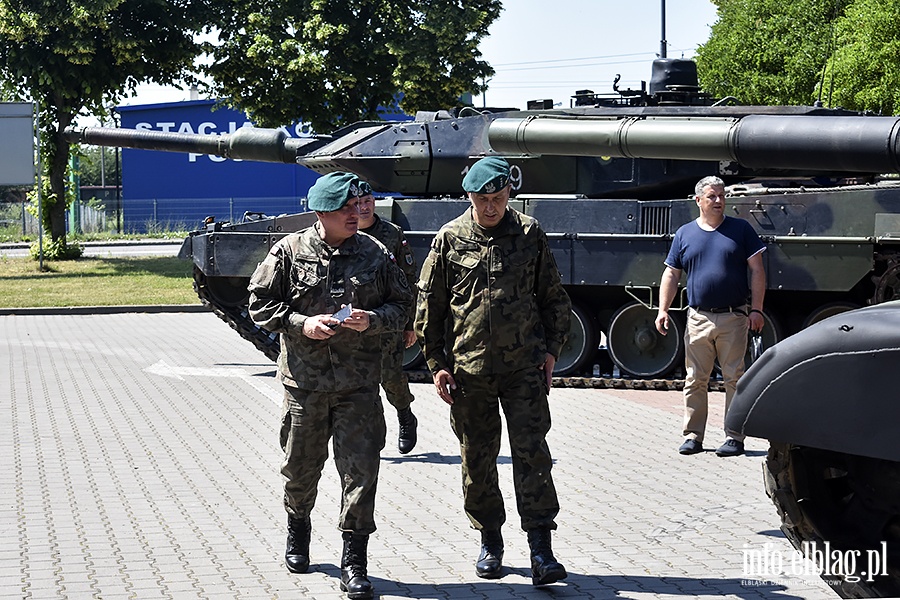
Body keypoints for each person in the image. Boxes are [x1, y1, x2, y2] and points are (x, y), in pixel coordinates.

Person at [247, 171, 412, 600]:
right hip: (305, 384)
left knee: (361, 472)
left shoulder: (375, 253)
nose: (356, 213)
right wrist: (303, 323)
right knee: (300, 470)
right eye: (345, 208)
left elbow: (403, 305)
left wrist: (373, 320)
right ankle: (298, 526)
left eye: (358, 206)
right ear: (322, 212)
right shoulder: (288, 251)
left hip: (359, 385)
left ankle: (354, 561)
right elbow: (259, 303)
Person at [415, 156, 572, 586]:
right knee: (478, 459)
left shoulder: (528, 234)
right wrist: (436, 364)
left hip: (523, 368)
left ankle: (541, 547)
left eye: (498, 199)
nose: (491, 208)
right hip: (469, 373)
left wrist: (551, 351)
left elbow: (553, 298)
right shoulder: (449, 239)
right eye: (483, 200)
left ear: (509, 195)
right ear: (469, 196)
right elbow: (430, 307)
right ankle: (490, 539)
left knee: (532, 453)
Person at [654, 175, 766, 458]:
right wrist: (663, 309)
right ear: (698, 201)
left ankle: (734, 436)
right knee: (695, 379)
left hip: (733, 317)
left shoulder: (741, 230)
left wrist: (757, 309)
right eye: (712, 196)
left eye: (722, 196)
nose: (719, 201)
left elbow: (758, 270)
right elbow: (672, 273)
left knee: (735, 379)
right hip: (698, 318)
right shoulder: (684, 234)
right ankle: (693, 435)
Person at [356, 180, 420, 454]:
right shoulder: (343, 232)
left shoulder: (391, 233)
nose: (364, 206)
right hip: (353, 321)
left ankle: (405, 413)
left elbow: (408, 279)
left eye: (368, 200)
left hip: (386, 319)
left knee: (390, 377)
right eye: (358, 202)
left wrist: (410, 323)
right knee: (360, 384)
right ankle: (371, 440)